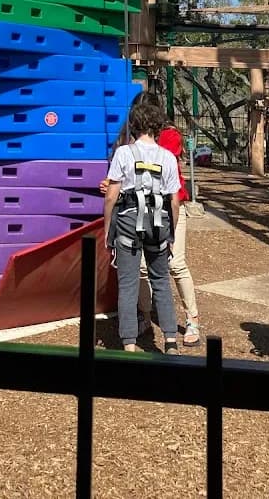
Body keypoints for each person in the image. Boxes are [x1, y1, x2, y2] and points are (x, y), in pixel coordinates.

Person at [103, 101, 181, 355]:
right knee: (161, 281)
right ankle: (170, 339)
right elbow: (174, 200)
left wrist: (107, 230)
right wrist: (171, 234)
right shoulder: (168, 157)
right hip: (158, 224)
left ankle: (129, 342)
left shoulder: (123, 154)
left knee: (128, 284)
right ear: (158, 127)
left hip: (128, 223)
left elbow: (111, 195)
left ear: (133, 126)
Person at [137, 121, 201, 346]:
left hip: (171, 206)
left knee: (176, 263)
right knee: (143, 267)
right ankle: (144, 315)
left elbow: (165, 167)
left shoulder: (169, 136)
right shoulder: (131, 139)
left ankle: (192, 318)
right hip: (144, 207)